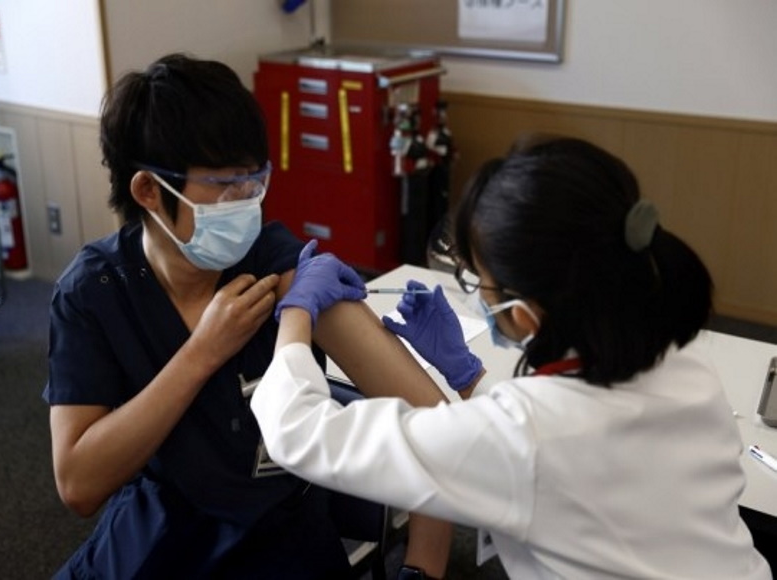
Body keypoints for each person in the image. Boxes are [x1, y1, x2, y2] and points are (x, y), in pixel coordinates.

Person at [251, 135, 773, 579]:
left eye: (484, 283)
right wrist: (468, 373)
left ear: (525, 314)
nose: (481, 294)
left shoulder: (526, 438)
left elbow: (300, 433)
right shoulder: (684, 362)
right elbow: (559, 443)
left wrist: (297, 310)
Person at [44, 53, 454, 579]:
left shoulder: (281, 272)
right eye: (222, 185)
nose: (245, 203)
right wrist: (201, 355)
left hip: (280, 541)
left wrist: (422, 573)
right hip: (157, 534)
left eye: (253, 179)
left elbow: (438, 428)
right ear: (149, 190)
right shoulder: (95, 292)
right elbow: (78, 484)